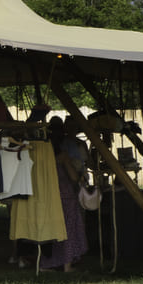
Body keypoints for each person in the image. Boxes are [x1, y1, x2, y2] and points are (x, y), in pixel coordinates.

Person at [41, 116, 90, 272]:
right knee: (68, 229)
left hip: (49, 194)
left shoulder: (43, 155)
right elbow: (73, 177)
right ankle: (67, 264)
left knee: (52, 230)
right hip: (66, 195)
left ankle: (49, 262)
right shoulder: (63, 156)